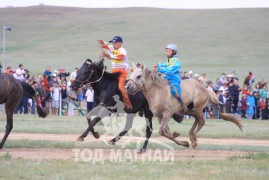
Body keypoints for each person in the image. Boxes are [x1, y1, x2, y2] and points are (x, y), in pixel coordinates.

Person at [98, 36, 132, 110]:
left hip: (122, 71)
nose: (113, 44)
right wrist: (102, 42)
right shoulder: (112, 48)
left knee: (120, 87)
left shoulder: (123, 50)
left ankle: (128, 103)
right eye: (112, 42)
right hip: (114, 71)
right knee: (108, 86)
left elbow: (120, 57)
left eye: (115, 43)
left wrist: (108, 55)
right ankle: (105, 101)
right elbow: (106, 46)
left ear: (120, 43)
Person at [155, 44, 187, 112]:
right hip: (167, 77)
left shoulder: (176, 61)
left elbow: (169, 70)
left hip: (174, 78)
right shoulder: (170, 59)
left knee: (174, 90)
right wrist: (159, 65)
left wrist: (159, 69)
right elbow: (165, 64)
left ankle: (181, 102)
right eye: (167, 51)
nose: (167, 52)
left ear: (174, 52)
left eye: (169, 51)